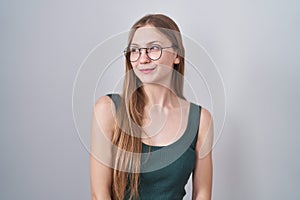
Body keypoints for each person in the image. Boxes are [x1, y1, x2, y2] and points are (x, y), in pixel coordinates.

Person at [90, 14, 213, 200]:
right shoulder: (108, 110)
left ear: (177, 55)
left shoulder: (200, 119)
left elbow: (202, 193)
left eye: (153, 48)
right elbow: (100, 194)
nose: (143, 59)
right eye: (135, 50)